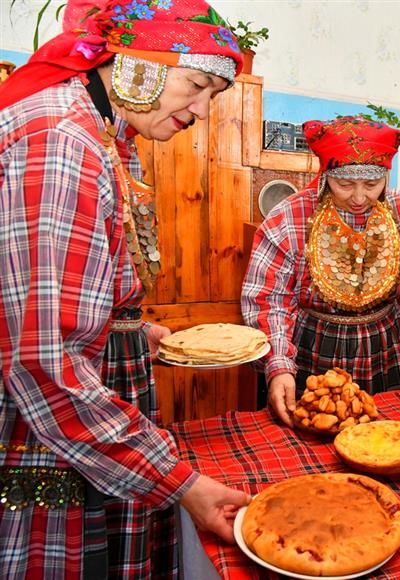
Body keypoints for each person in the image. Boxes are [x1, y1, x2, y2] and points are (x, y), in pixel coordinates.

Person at [0, 1, 251, 577]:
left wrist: (132, 331)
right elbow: (44, 362)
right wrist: (178, 481)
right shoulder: (64, 144)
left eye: (214, 95)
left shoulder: (100, 132)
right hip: (51, 429)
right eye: (196, 84)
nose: (201, 110)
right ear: (137, 62)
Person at [242, 116, 400, 426]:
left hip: (385, 348)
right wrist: (279, 365)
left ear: (386, 177)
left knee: (384, 435)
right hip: (313, 349)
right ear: (326, 175)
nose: (358, 197)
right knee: (316, 435)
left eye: (371, 184)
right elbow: (268, 299)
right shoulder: (290, 215)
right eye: (344, 184)